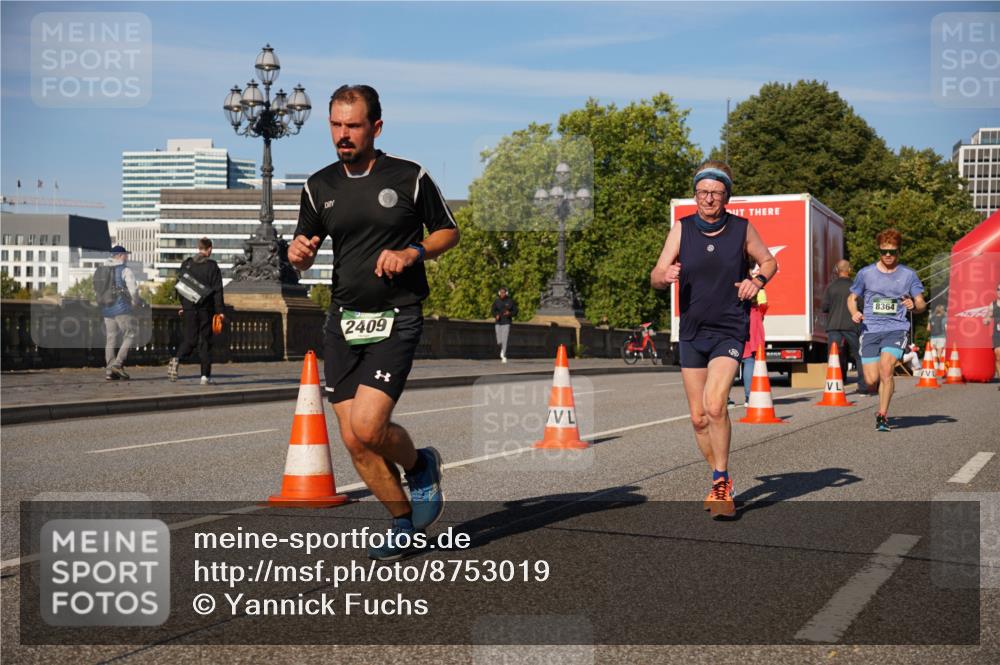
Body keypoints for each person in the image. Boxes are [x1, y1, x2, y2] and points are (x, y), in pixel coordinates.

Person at [288, 84, 460, 560]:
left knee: (368, 425)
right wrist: (296, 253)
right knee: (352, 438)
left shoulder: (409, 177)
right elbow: (304, 249)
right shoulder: (318, 186)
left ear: (375, 127)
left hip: (397, 315)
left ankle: (420, 463)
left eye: (353, 126)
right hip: (343, 319)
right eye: (336, 125)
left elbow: (449, 230)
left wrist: (413, 251)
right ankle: (401, 520)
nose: (343, 135)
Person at [651, 160, 777, 518]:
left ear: (726, 197)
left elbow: (769, 261)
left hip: (729, 329)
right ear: (695, 194)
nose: (708, 199)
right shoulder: (682, 229)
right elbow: (655, 275)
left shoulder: (741, 229)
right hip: (692, 331)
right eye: (703, 192)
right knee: (697, 417)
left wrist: (758, 281)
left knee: (715, 405)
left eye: (716, 193)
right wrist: (666, 275)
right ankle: (720, 477)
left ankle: (721, 482)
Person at [847, 228, 926, 432]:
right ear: (879, 251)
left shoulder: (909, 275)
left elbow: (921, 303)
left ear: (898, 252)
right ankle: (886, 387)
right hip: (870, 329)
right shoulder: (866, 273)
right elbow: (852, 298)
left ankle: (882, 414)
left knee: (886, 370)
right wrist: (854, 312)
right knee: (872, 380)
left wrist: (913, 305)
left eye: (892, 252)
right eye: (884, 252)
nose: (888, 256)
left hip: (896, 329)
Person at [168, 237, 225, 385]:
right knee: (205, 341)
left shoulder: (187, 264)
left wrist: (183, 305)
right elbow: (217, 290)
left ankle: (177, 358)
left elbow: (179, 286)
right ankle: (205, 377)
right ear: (210, 249)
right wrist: (220, 311)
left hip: (188, 308)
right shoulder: (212, 266)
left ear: (198, 248)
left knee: (189, 339)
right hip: (205, 308)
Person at [822, 260, 869, 395]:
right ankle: (863, 386)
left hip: (834, 326)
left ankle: (835, 386)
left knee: (834, 356)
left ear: (837, 270)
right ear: (850, 270)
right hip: (851, 325)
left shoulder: (830, 287)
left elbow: (825, 307)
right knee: (858, 355)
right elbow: (862, 306)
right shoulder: (855, 286)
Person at [98, 245, 140, 381]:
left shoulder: (102, 269)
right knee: (130, 334)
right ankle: (118, 364)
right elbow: (133, 290)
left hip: (106, 308)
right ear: (121, 255)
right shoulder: (125, 270)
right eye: (126, 254)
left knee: (110, 338)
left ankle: (110, 371)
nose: (127, 257)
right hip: (121, 308)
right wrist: (135, 302)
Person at [741, 269, 767, 406]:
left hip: (733, 319)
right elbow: (763, 305)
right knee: (749, 360)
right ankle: (749, 397)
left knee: (727, 360)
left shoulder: (731, 280)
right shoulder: (755, 284)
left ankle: (723, 398)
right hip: (753, 318)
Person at [491, 287, 518, 363]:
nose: (502, 294)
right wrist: (496, 315)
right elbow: (493, 310)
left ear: (506, 293)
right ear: (499, 293)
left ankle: (504, 354)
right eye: (501, 292)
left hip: (506, 322)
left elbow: (515, 311)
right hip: (498, 322)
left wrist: (510, 313)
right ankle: (502, 348)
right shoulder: (496, 301)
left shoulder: (510, 301)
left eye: (504, 292)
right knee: (499, 340)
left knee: (505, 339)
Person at [984, 282, 1000, 388]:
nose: (999, 292)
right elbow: (986, 320)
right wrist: (987, 319)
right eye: (998, 289)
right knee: (998, 357)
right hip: (997, 334)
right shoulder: (992, 304)